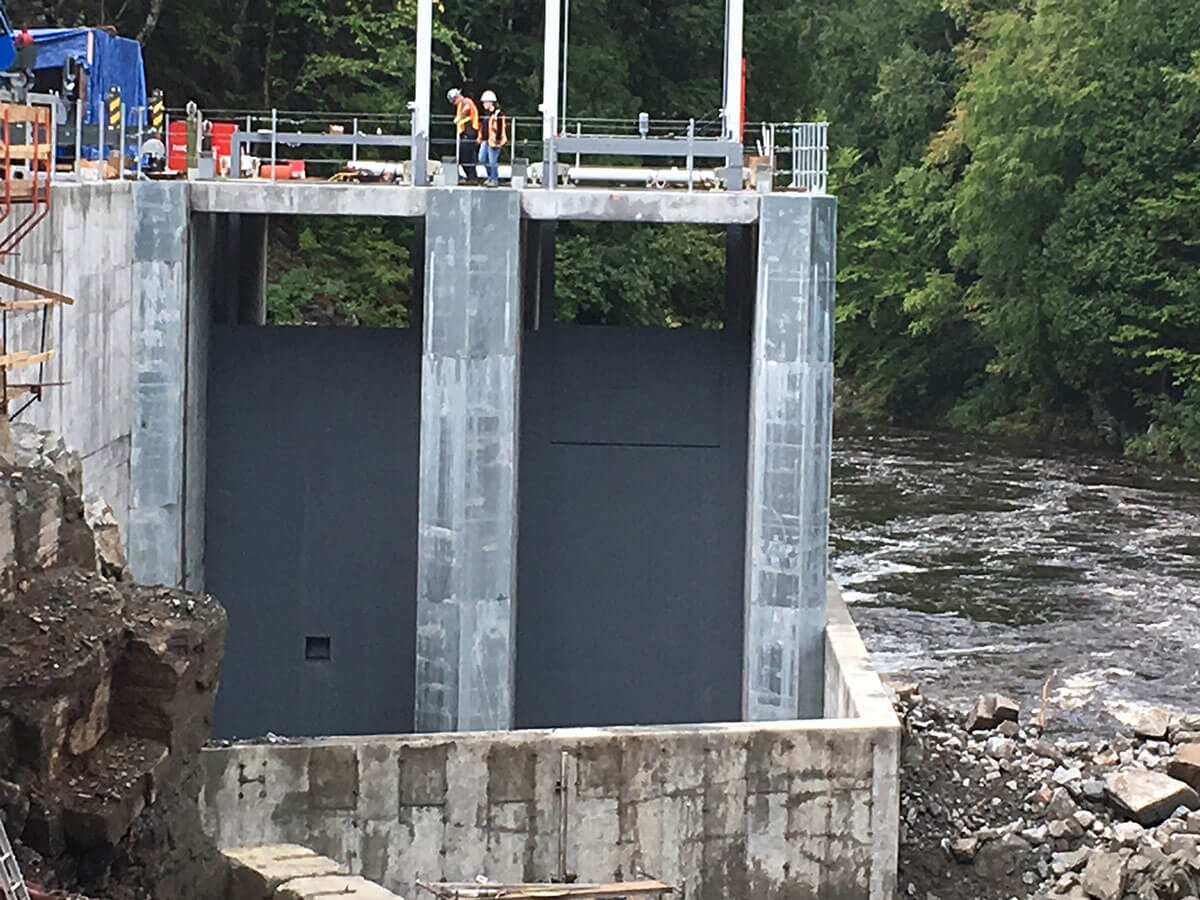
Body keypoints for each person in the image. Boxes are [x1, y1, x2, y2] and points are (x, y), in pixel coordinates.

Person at [446, 87, 480, 184]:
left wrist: (459, 118)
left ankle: (472, 177)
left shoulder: (466, 101)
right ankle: (470, 177)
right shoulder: (461, 103)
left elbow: (467, 109)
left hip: (469, 132)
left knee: (466, 156)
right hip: (466, 133)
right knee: (465, 156)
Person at [477, 90, 508, 187]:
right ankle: (490, 177)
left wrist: (497, 140)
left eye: (485, 102)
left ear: (491, 102)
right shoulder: (487, 114)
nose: (483, 104)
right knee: (482, 158)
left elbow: (500, 127)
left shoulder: (498, 114)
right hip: (486, 140)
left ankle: (494, 179)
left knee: (492, 161)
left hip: (494, 141)